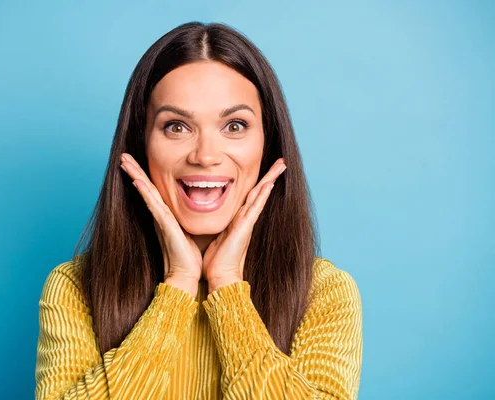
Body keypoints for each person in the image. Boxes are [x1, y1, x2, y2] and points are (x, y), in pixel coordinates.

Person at [35, 21, 363, 400]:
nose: (205, 156)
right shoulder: (75, 287)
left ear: (267, 144)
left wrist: (227, 288)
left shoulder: (323, 292)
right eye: (176, 127)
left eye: (235, 125)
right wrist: (176, 287)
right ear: (141, 143)